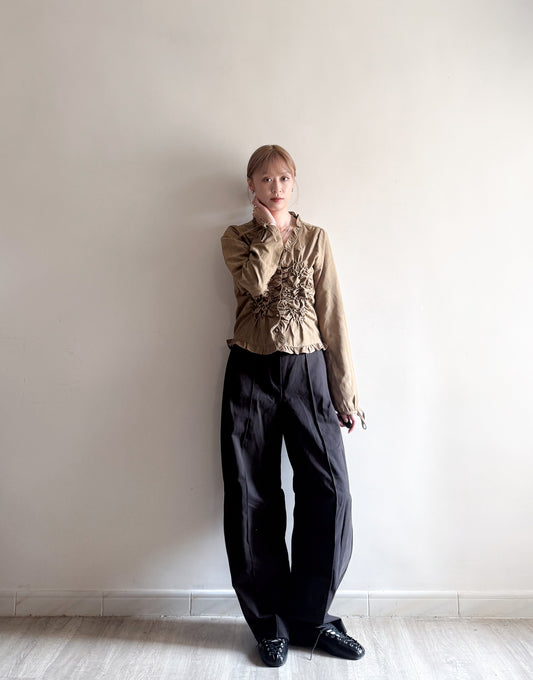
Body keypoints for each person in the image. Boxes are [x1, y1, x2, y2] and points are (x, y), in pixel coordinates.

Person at [220, 144, 367, 667]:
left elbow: (333, 316)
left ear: (294, 182)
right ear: (251, 186)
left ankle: (310, 618)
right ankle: (269, 623)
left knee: (330, 490)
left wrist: (345, 393)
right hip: (251, 371)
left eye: (284, 178)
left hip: (309, 372)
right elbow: (253, 282)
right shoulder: (236, 237)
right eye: (265, 179)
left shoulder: (316, 238)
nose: (276, 187)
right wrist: (268, 231)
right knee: (251, 494)